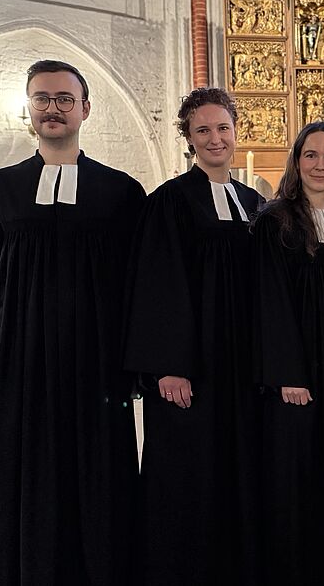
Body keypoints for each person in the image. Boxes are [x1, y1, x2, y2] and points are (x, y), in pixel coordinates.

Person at [0, 59, 144, 585]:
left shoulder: (121, 193)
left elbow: (137, 289)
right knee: (19, 471)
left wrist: (134, 365)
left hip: (97, 362)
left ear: (85, 109)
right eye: (42, 98)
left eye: (65, 98)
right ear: (29, 111)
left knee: (96, 472)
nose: (53, 108)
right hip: (16, 361)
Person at [122, 88, 265, 585]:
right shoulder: (168, 202)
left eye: (222, 128)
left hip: (242, 366)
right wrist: (169, 365)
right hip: (191, 367)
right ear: (189, 138)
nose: (215, 138)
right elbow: (157, 285)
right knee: (188, 471)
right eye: (202, 130)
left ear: (235, 131)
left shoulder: (254, 204)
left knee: (238, 465)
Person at [252, 121, 324, 585]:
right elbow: (268, 301)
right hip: (297, 376)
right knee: (296, 480)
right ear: (297, 162)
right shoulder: (274, 221)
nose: (321, 165)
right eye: (311, 155)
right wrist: (288, 374)